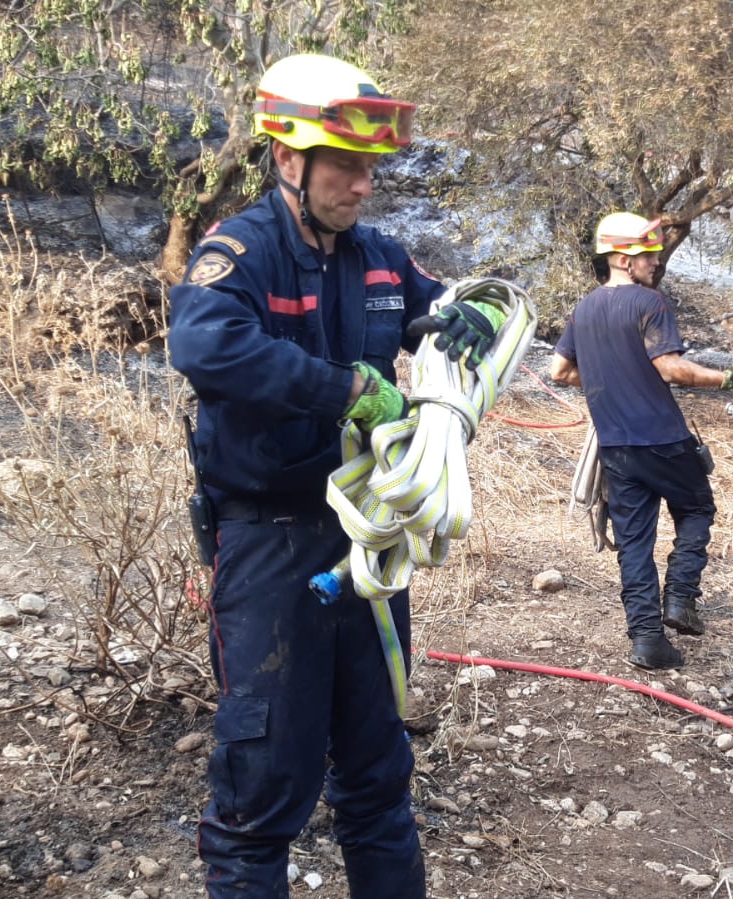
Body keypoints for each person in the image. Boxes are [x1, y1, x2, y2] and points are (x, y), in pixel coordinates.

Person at [167, 53, 502, 898]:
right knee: (263, 787)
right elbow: (203, 346)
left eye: (370, 169)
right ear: (289, 160)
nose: (363, 187)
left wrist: (470, 316)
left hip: (368, 543)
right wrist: (346, 387)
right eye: (345, 167)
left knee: (377, 773)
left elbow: (449, 309)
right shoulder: (238, 251)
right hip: (268, 542)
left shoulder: (381, 258)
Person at [548, 212, 733, 669]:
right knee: (698, 507)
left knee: (634, 543)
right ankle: (680, 599)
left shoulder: (584, 309)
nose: (656, 261)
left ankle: (648, 643)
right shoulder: (650, 303)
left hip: (616, 448)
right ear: (624, 258)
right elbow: (672, 368)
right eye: (649, 253)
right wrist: (730, 378)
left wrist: (612, 379)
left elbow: (560, 372)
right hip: (662, 439)